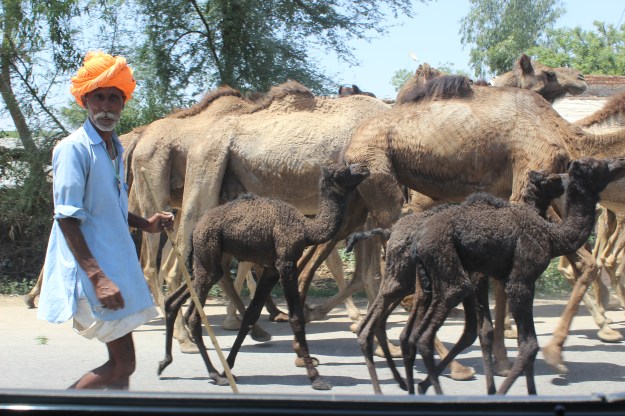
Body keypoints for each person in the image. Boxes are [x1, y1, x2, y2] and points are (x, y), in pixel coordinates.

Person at [38, 51, 174, 390]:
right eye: (99, 97)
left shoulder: (114, 149)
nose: (107, 105)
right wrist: (97, 277)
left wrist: (146, 225)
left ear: (123, 105)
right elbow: (67, 217)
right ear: (86, 101)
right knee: (122, 364)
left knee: (121, 370)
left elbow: (108, 208)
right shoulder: (74, 149)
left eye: (115, 98)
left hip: (115, 268)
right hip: (92, 274)